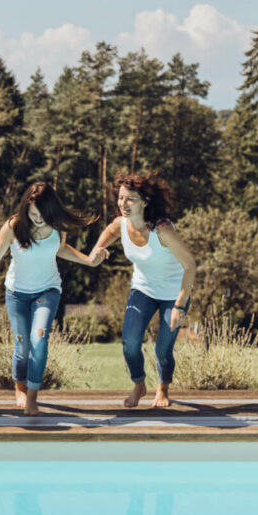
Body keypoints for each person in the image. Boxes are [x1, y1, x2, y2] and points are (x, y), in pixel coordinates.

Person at [0, 182, 105, 416]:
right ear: (25, 210)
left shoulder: (58, 228)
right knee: (22, 345)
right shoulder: (14, 226)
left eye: (42, 215)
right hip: (17, 293)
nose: (38, 220)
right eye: (33, 215)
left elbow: (60, 249)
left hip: (47, 291)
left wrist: (89, 260)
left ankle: (32, 396)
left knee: (39, 340)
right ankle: (18, 387)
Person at [90, 172, 196, 408]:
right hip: (143, 290)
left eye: (130, 199)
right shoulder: (121, 224)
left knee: (163, 349)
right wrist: (98, 249)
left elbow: (190, 265)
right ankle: (139, 385)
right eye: (120, 198)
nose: (123, 204)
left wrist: (180, 304)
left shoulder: (163, 231)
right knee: (129, 343)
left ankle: (163, 389)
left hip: (173, 294)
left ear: (145, 202)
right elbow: (109, 231)